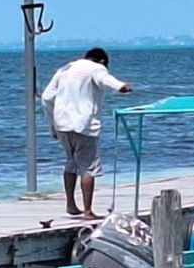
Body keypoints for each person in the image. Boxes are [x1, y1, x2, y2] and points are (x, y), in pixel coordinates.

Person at [41, 47, 132, 219]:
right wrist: (121, 86)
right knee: (88, 167)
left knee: (71, 162)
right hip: (84, 124)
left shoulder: (65, 68)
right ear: (103, 61)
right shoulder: (96, 68)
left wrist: (52, 124)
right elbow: (104, 79)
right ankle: (88, 211)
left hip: (62, 124)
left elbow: (46, 97)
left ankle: (71, 204)